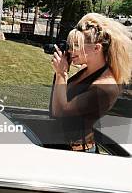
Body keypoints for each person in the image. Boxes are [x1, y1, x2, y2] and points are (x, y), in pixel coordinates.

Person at [50, 13, 132, 152]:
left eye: (77, 45)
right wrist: (60, 74)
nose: (70, 50)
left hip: (77, 152)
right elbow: (56, 104)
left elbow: (59, 112)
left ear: (96, 48)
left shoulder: (105, 86)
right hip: (61, 145)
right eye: (71, 45)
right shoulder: (86, 70)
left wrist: (61, 74)